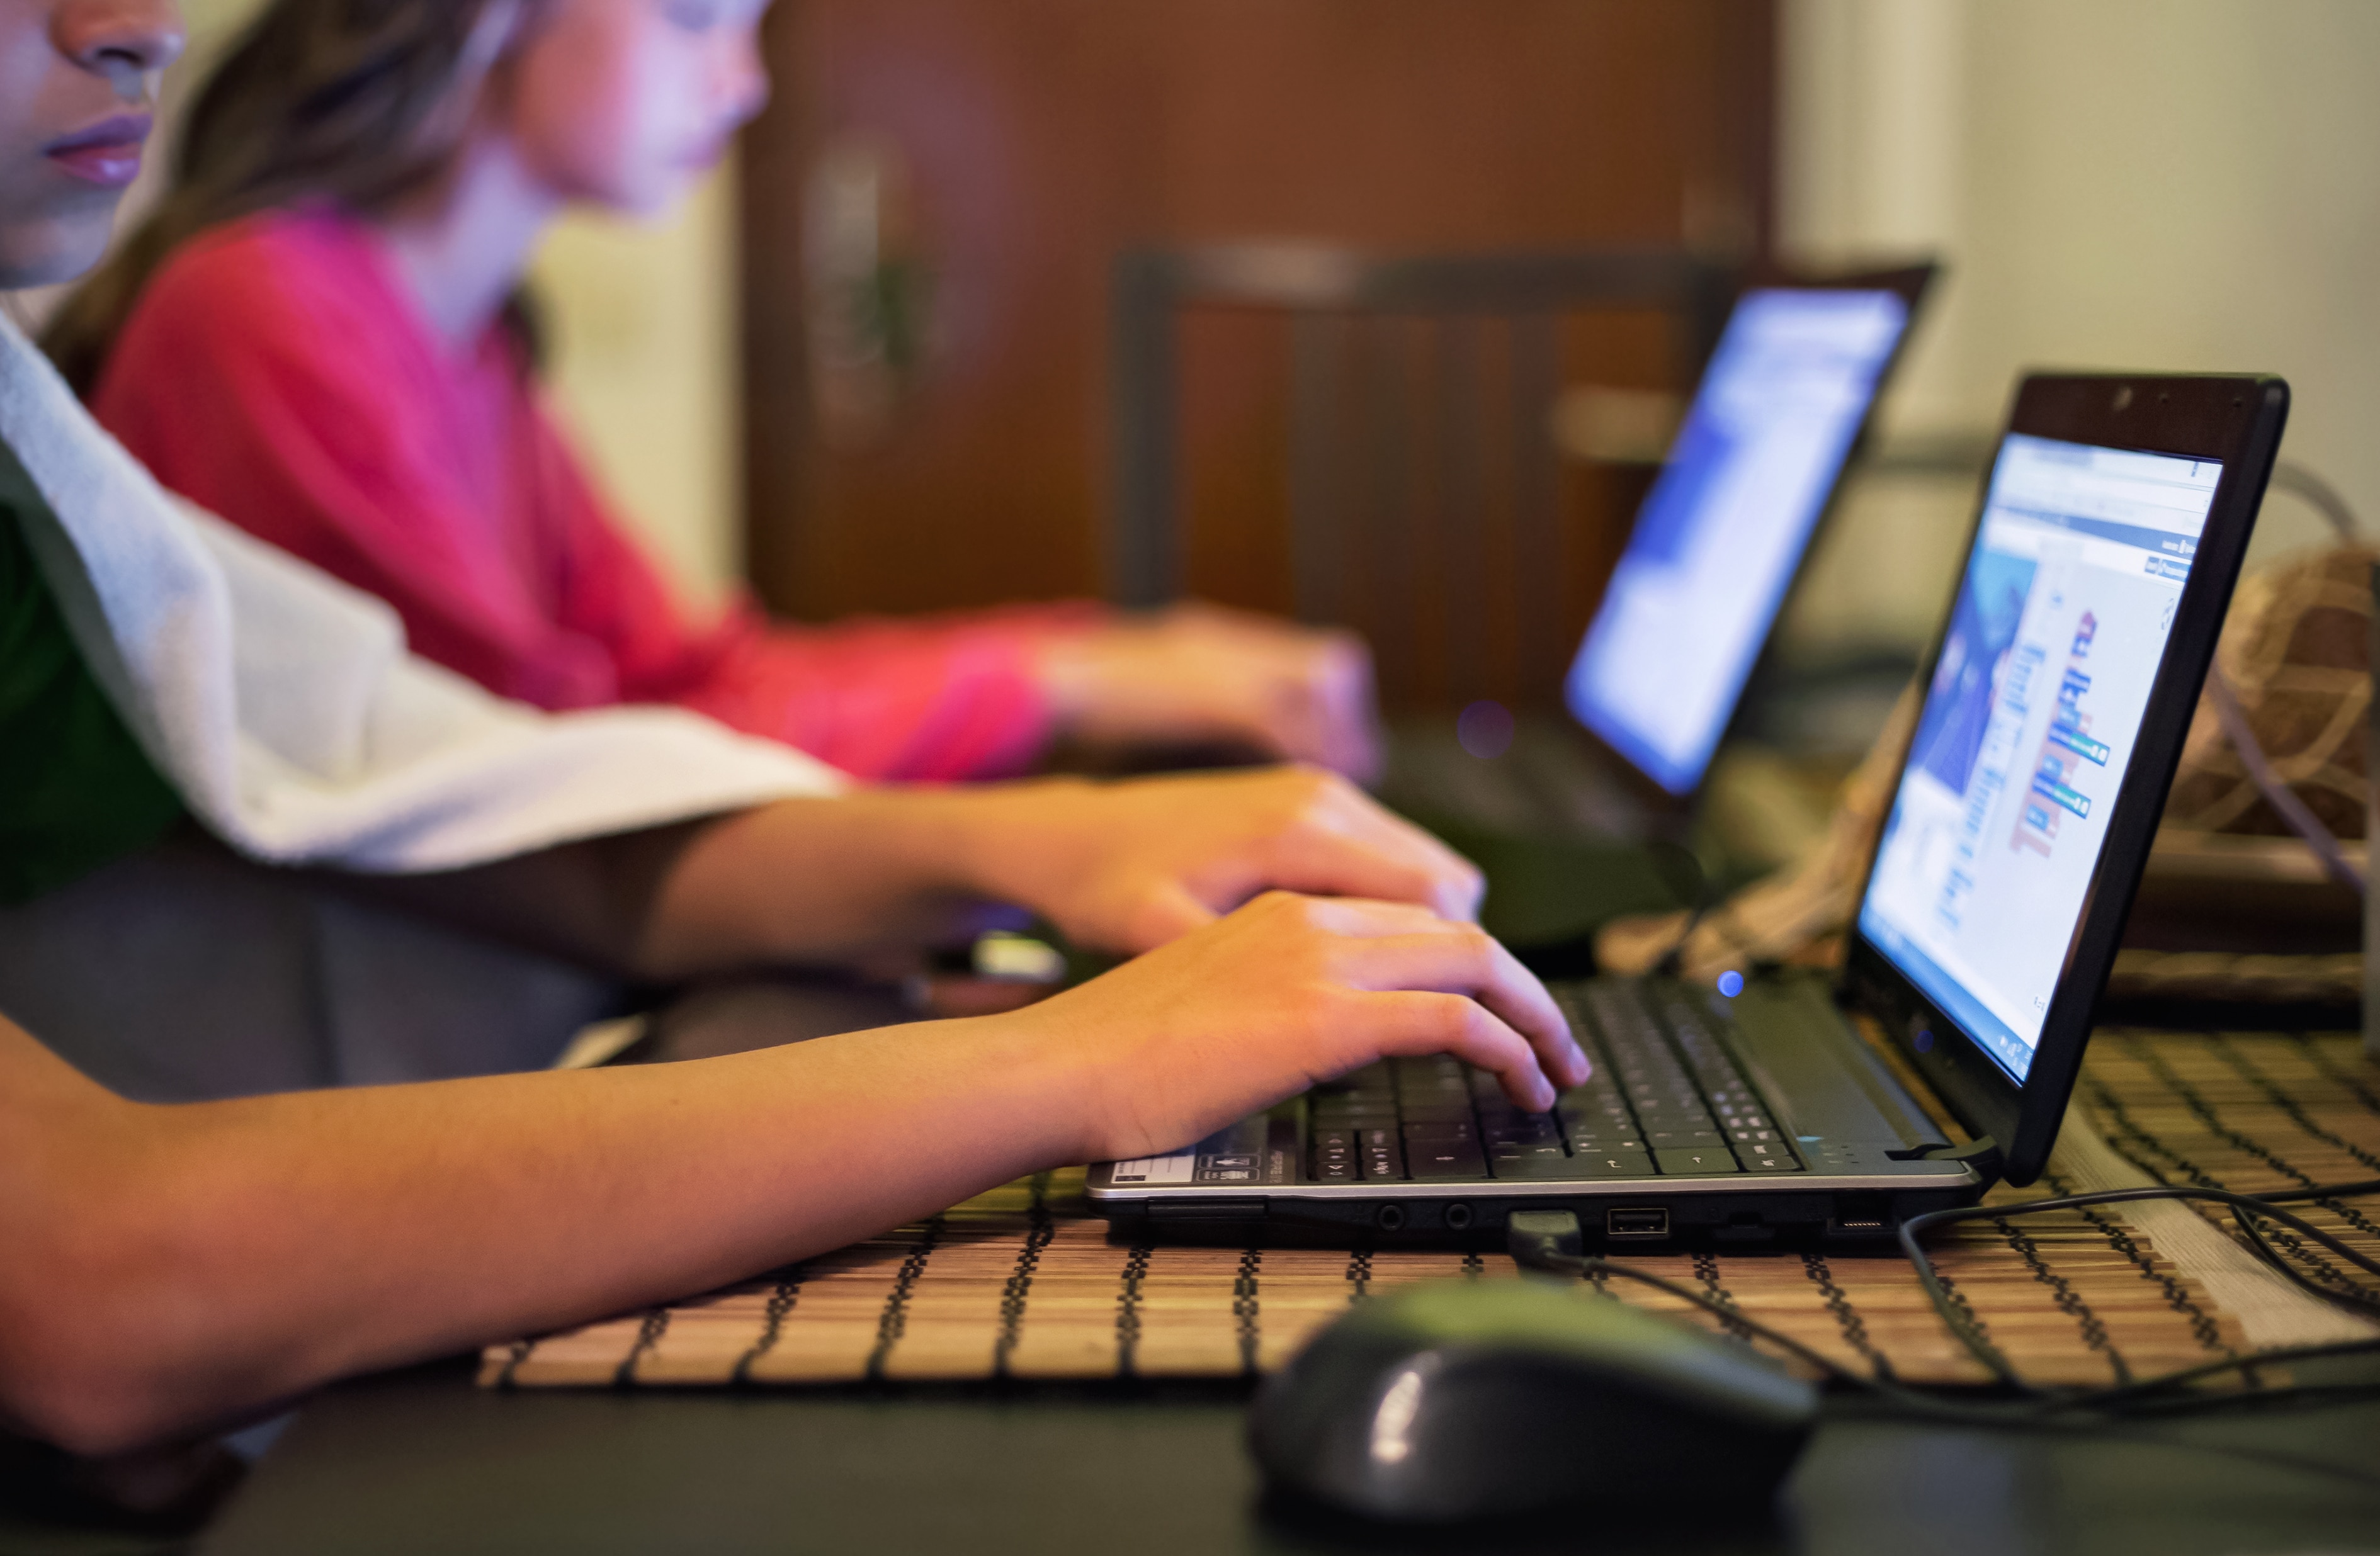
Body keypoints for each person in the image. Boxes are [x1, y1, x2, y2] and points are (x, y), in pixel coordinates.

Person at [0, 0, 1582, 1460]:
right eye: (695, 10)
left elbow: (541, 783)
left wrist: (1051, 842)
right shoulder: (263, 306)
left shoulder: (400, 347)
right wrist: (1079, 1029)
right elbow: (108, 1268)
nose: (146, 22)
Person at [41, 0, 1381, 785]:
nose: (744, 85)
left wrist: (1104, 660)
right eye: (695, 15)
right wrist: (1068, 687)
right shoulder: (266, 312)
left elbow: (689, 675)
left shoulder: (468, 339)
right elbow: (562, 774)